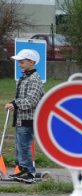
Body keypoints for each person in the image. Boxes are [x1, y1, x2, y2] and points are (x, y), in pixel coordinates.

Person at [4, 49, 44, 183]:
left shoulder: (34, 79)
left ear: (31, 62)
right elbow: (22, 97)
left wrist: (15, 104)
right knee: (19, 145)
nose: (19, 64)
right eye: (19, 62)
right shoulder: (25, 77)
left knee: (24, 145)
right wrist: (13, 102)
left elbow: (32, 100)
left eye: (22, 62)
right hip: (21, 118)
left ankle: (29, 173)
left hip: (29, 118)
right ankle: (22, 169)